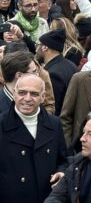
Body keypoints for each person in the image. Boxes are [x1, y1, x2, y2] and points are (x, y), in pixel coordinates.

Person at [0, 74, 68, 203]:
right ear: (14, 94)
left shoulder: (54, 124)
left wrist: (61, 173)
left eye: (34, 94)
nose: (27, 98)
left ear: (43, 97)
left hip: (46, 198)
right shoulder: (1, 124)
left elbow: (63, 160)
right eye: (22, 93)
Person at [36, 28, 77, 115]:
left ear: (44, 47)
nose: (36, 50)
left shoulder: (52, 74)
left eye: (37, 45)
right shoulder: (71, 65)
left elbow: (54, 106)